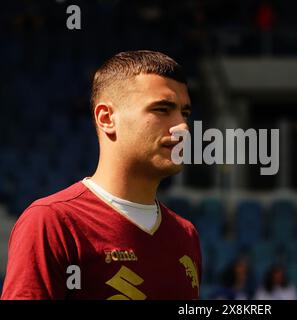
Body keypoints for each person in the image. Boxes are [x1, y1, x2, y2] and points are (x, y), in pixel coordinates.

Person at [1, 50, 201, 300]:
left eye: (185, 114)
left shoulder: (186, 234)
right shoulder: (52, 222)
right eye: (162, 109)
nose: (182, 127)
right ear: (106, 118)